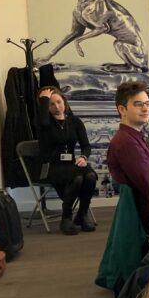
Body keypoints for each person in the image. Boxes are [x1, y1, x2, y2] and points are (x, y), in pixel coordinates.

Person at [35, 87, 97, 234]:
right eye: (51, 104)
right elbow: (43, 122)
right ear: (46, 107)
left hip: (71, 164)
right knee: (77, 179)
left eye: (59, 102)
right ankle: (66, 217)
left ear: (64, 101)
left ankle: (82, 215)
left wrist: (83, 157)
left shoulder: (75, 122)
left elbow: (86, 146)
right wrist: (43, 99)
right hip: (52, 166)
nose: (56, 107)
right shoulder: (43, 123)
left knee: (90, 176)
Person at [107, 80, 149, 230]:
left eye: (147, 103)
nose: (145, 108)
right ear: (122, 109)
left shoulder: (135, 137)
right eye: (138, 104)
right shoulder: (126, 142)